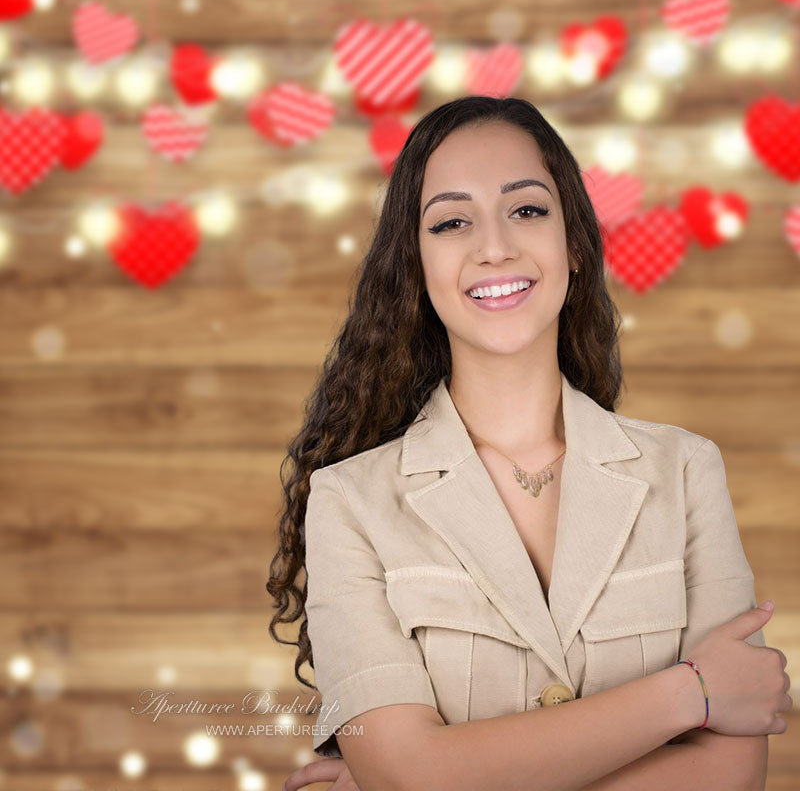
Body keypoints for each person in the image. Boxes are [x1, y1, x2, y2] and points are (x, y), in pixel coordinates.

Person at [267, 96, 792, 791]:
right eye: (452, 222)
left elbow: (731, 777)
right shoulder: (348, 503)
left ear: (573, 241)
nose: (495, 247)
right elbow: (410, 776)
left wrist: (438, 776)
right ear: (416, 267)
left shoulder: (687, 472)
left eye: (527, 210)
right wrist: (690, 694)